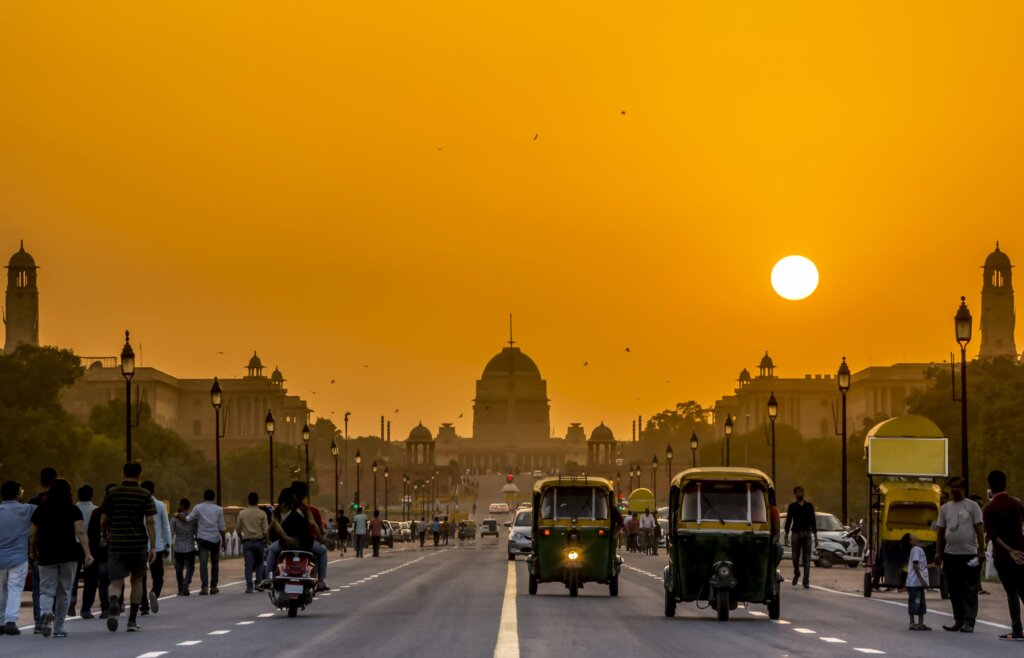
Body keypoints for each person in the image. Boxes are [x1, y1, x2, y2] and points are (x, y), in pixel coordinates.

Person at [30, 478, 94, 638]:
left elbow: (31, 534)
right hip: (69, 554)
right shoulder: (73, 510)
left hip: (46, 554)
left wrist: (32, 550)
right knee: (64, 591)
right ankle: (58, 627)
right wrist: (87, 553)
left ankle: (46, 613)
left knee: (46, 590)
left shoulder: (40, 509)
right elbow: (80, 532)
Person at [102, 463, 157, 633]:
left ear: (122, 473)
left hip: (117, 543)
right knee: (137, 580)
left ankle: (113, 603)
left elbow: (104, 518)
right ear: (140, 475)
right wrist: (153, 546)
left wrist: (105, 535)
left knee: (116, 582)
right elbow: (150, 521)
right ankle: (132, 620)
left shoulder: (112, 493)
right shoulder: (145, 494)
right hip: (138, 544)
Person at [934, 475, 985, 633]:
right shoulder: (945, 508)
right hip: (951, 554)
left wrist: (981, 550)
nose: (955, 490)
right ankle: (958, 620)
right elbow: (940, 532)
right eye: (952, 487)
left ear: (963, 488)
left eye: (957, 487)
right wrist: (938, 553)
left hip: (969, 554)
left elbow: (979, 528)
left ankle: (969, 621)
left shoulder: (972, 506)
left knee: (969, 588)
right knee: (954, 589)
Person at [982, 469, 1024, 641]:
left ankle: (1017, 629)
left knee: (1011, 593)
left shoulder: (989, 508)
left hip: (1003, 556)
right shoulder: (1017, 503)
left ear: (990, 486)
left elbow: (992, 535)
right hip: (1022, 552)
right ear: (1005, 483)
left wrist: (1009, 551)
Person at [0, 480, 35, 635]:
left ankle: (0, 622)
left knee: (1, 591)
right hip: (19, 557)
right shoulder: (28, 509)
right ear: (18, 493)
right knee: (14, 589)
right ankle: (10, 621)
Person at [28, 466, 57, 634]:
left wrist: (31, 550)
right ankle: (53, 618)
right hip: (60, 550)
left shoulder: (33, 503)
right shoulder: (62, 501)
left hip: (40, 550)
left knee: (39, 587)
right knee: (58, 587)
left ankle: (39, 621)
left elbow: (30, 531)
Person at [81, 484, 115, 619]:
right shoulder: (117, 512)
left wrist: (88, 553)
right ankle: (106, 607)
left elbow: (89, 533)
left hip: (94, 550)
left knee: (90, 581)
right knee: (106, 581)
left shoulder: (97, 512)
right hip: (110, 551)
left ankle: (85, 609)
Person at [139, 480, 170, 615]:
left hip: (140, 546)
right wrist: (168, 544)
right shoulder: (160, 505)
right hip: (156, 546)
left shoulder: (138, 504)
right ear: (154, 490)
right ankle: (154, 592)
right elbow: (165, 526)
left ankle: (144, 605)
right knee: (158, 575)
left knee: (141, 577)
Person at [186, 489, 225, 595]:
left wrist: (177, 515)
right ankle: (213, 586)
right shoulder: (219, 509)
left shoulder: (198, 507)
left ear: (204, 497)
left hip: (202, 539)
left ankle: (204, 587)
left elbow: (188, 519)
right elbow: (222, 527)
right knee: (215, 563)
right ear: (214, 497)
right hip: (215, 539)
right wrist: (224, 541)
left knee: (203, 563)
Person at [69, 484, 97, 616]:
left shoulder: (72, 509)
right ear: (91, 495)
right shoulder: (96, 510)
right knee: (90, 579)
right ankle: (86, 608)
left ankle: (72, 599)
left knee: (72, 576)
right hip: (90, 547)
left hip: (73, 546)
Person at [785, 486, 818, 589]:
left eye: (801, 492)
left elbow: (813, 521)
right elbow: (789, 520)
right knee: (795, 557)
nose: (799, 494)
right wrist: (786, 534)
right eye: (797, 493)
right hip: (796, 534)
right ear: (795, 495)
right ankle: (797, 572)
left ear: (803, 493)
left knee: (807, 559)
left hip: (807, 534)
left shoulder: (809, 506)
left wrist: (816, 536)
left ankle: (806, 581)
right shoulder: (792, 507)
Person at [237, 491, 269, 593]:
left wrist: (241, 538)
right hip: (259, 541)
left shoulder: (242, 513)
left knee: (248, 565)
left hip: (247, 541)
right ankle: (259, 583)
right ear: (257, 501)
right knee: (260, 563)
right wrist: (266, 541)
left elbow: (237, 529)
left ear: (248, 500)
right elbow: (265, 531)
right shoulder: (262, 513)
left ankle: (249, 586)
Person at [903, 532, 931, 631]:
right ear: (911, 541)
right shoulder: (915, 550)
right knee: (915, 602)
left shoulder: (918, 549)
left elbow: (921, 566)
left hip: (918, 583)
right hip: (915, 583)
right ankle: (912, 622)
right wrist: (922, 580)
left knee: (921, 603)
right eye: (913, 536)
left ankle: (920, 623)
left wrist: (932, 566)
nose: (915, 535)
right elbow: (915, 566)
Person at [171, 498, 197, 595]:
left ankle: (180, 589)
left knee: (179, 569)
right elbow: (196, 532)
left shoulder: (174, 519)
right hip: (190, 546)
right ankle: (186, 581)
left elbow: (171, 533)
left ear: (181, 506)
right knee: (190, 567)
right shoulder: (193, 518)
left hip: (178, 547)